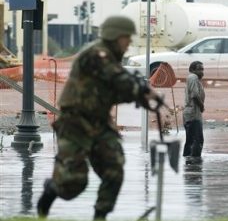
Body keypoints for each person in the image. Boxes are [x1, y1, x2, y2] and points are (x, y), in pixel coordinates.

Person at [36, 15, 162, 220]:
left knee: (114, 168)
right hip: (76, 123)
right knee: (73, 183)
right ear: (114, 36)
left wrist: (142, 96)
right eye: (126, 38)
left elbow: (116, 90)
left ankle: (100, 215)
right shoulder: (97, 54)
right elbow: (118, 79)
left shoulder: (111, 59)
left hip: (100, 123)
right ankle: (52, 189)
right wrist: (141, 89)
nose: (129, 43)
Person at [182, 61, 205, 158]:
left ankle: (189, 164)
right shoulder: (193, 77)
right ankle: (194, 165)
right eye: (199, 69)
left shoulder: (194, 79)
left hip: (193, 113)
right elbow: (195, 95)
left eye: (202, 69)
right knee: (197, 140)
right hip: (193, 114)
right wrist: (201, 106)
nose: (201, 72)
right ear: (192, 70)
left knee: (191, 140)